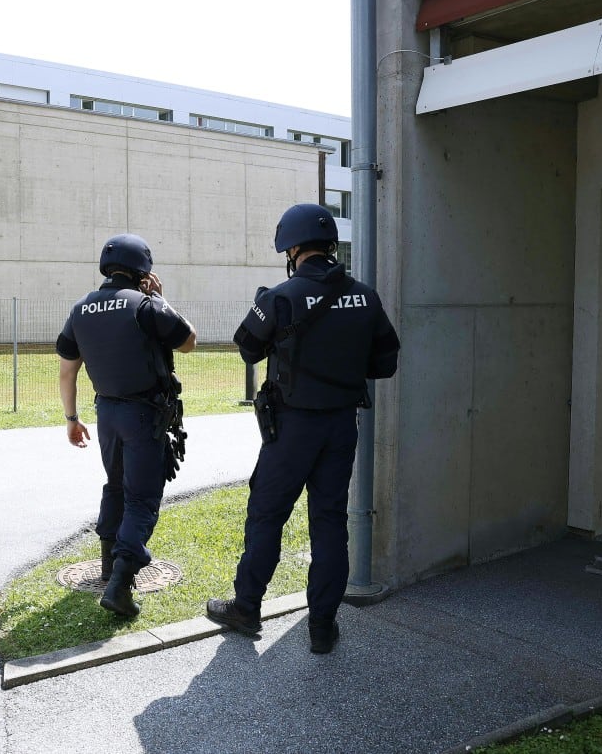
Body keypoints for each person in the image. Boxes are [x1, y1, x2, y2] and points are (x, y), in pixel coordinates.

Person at [206, 203, 400, 653]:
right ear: (330, 245)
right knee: (330, 522)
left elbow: (247, 349)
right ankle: (322, 627)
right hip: (340, 426)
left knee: (268, 515)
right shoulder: (365, 296)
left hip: (290, 430)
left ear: (291, 248)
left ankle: (247, 607)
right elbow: (385, 363)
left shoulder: (279, 296)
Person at [57, 233, 197, 618]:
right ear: (143, 272)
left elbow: (67, 371)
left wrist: (71, 419)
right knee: (142, 500)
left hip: (106, 415)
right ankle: (120, 584)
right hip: (144, 416)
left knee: (115, 487)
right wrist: (161, 299)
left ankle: (107, 565)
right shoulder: (145, 305)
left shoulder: (81, 308)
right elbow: (189, 341)